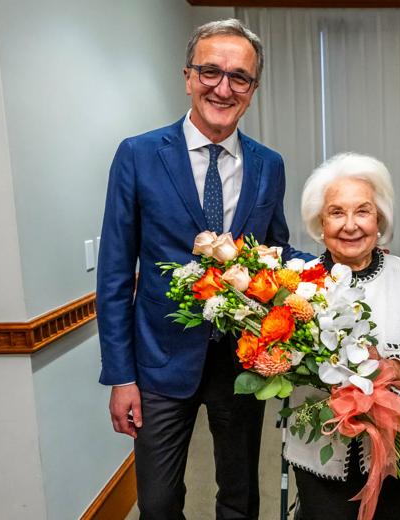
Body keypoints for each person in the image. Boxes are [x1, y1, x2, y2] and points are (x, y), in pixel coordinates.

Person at [97, 19, 308, 519]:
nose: (223, 87)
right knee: (160, 500)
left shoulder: (268, 164)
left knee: (240, 495)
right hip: (159, 361)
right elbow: (113, 274)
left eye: (240, 78)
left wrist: (339, 263)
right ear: (188, 76)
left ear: (253, 90)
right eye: (210, 71)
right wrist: (121, 376)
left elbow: (274, 251)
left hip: (242, 358)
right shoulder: (139, 154)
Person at [285, 152, 400, 520]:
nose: (350, 225)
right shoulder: (295, 284)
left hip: (398, 450)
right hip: (319, 448)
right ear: (319, 221)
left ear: (379, 219)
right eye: (337, 212)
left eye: (363, 211)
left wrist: (396, 369)